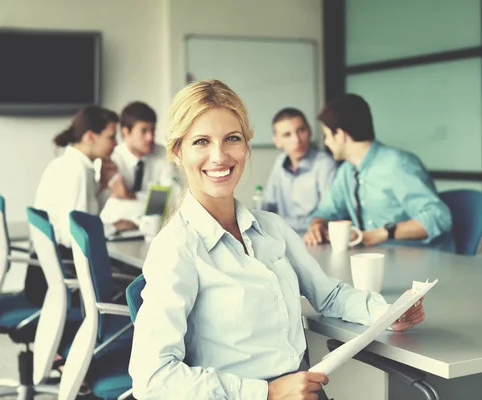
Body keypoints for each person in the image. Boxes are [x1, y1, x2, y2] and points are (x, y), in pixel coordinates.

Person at [129, 80, 426, 399]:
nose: (219, 156)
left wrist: (387, 313)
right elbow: (153, 379)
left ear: (246, 145)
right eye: (201, 141)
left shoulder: (271, 227)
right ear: (177, 151)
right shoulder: (176, 248)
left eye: (232, 138)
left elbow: (328, 296)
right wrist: (266, 392)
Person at [304, 94, 455, 253]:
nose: (326, 142)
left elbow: (439, 217)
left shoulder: (397, 164)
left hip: (420, 259)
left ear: (341, 135)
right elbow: (327, 210)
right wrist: (317, 225)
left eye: (327, 135)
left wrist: (382, 233)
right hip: (374, 258)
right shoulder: (346, 171)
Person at [29, 106, 136, 306]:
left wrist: (103, 185)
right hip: (64, 277)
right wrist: (113, 227)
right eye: (111, 137)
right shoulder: (77, 171)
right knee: (136, 280)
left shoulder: (69, 164)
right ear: (90, 136)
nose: (115, 144)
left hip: (47, 274)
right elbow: (75, 235)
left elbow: (85, 216)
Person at [263, 108, 337, 234]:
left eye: (301, 130)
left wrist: (281, 222)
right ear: (277, 141)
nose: (297, 140)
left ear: (310, 131)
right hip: (284, 236)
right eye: (287, 135)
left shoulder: (325, 163)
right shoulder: (280, 161)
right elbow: (267, 203)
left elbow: (329, 212)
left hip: (315, 237)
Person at [106, 101, 183, 205]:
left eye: (152, 130)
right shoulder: (112, 158)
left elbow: (174, 196)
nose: (150, 137)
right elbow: (111, 203)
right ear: (126, 132)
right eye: (144, 131)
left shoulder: (163, 154)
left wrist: (131, 196)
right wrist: (154, 196)